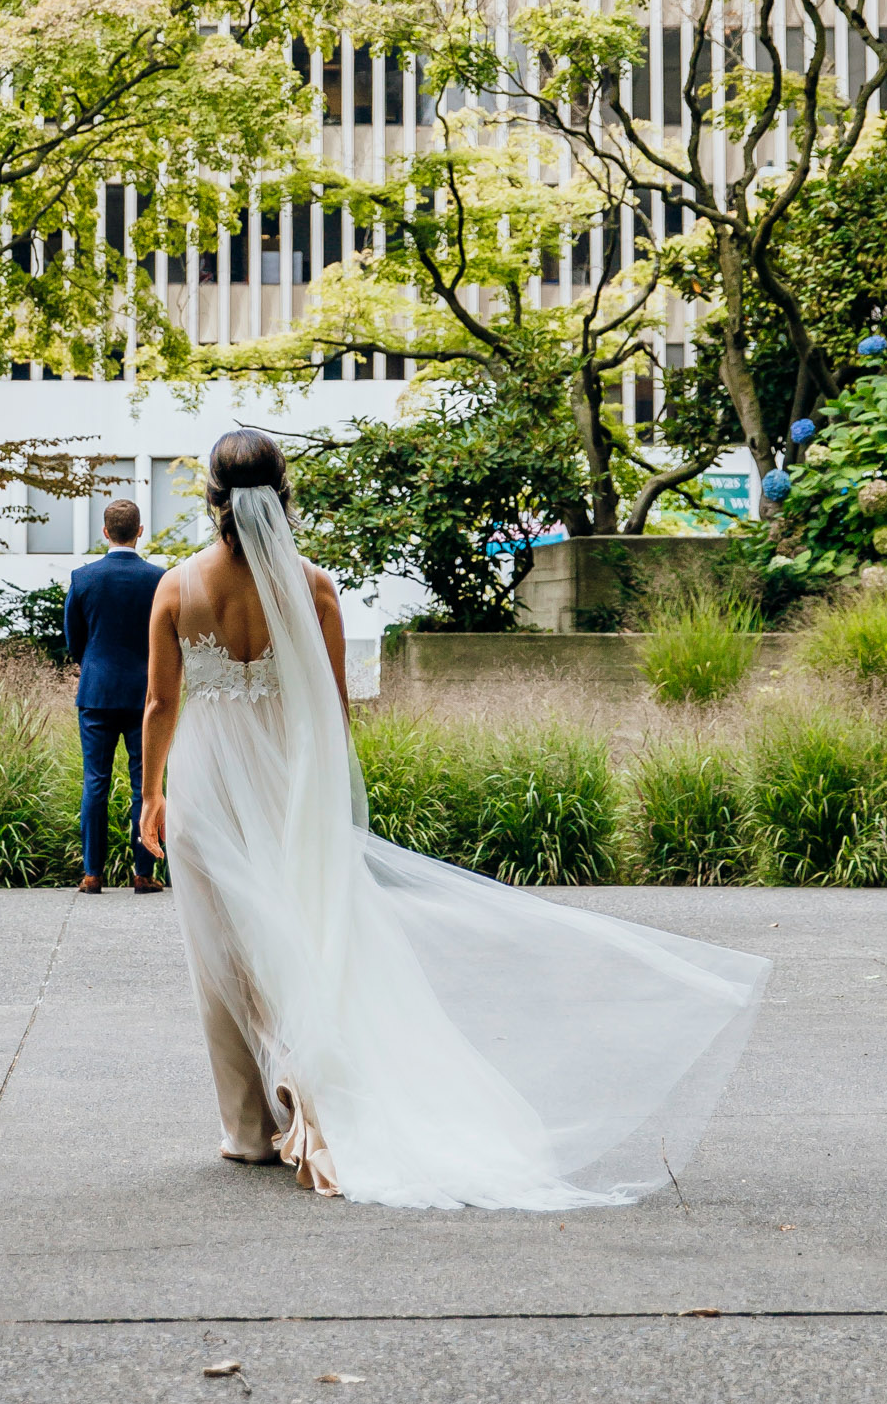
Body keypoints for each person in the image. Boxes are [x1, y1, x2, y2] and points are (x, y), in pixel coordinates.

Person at [139, 430, 771, 1211]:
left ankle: (249, 1128)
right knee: (303, 938)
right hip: (287, 786)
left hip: (206, 786)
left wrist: (151, 793)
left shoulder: (175, 588)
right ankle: (303, 1096)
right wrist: (322, 801)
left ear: (213, 499)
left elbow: (162, 704)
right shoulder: (315, 588)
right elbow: (332, 714)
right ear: (284, 494)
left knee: (222, 952)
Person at [63, 496, 166, 896]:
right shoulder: (159, 579)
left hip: (97, 692)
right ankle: (144, 873)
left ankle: (93, 874)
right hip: (147, 696)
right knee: (147, 783)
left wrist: (92, 664)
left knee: (95, 783)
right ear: (140, 532)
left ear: (105, 532)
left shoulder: (82, 578)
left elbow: (74, 641)